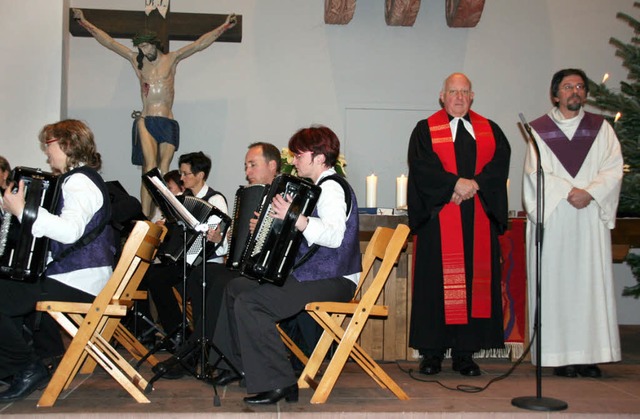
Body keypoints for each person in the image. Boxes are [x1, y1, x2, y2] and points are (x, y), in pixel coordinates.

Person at [210, 126, 361, 405]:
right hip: (314, 274)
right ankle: (237, 366)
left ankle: (279, 382)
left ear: (318, 157)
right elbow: (300, 237)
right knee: (235, 288)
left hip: (335, 279)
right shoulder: (315, 188)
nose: (293, 161)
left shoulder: (332, 188)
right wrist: (271, 225)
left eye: (298, 155)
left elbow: (333, 235)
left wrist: (294, 217)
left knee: (253, 302)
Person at [72, 8, 237, 217]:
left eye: (146, 45)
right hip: (146, 118)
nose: (144, 50)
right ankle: (144, 215)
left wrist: (224, 26)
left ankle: (163, 213)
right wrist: (84, 23)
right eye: (141, 46)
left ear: (155, 44)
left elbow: (198, 44)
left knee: (164, 170)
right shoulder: (137, 62)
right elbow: (110, 43)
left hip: (167, 120)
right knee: (149, 169)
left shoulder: (172, 59)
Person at [0, 119, 115, 402]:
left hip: (80, 280)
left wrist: (23, 211)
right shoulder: (78, 179)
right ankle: (20, 365)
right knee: (10, 287)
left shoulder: (79, 181)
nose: (46, 153)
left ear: (66, 144)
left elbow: (69, 230)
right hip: (79, 276)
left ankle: (26, 367)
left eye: (49, 146)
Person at [407, 73, 511, 377]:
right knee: (436, 286)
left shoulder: (490, 130)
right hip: (440, 219)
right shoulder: (425, 130)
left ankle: (466, 354)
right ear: (442, 95)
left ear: (472, 96)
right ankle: (432, 353)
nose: (459, 97)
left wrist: (474, 184)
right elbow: (422, 168)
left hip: (478, 218)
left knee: (473, 286)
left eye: (464, 92)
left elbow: (500, 162)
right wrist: (455, 184)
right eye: (453, 91)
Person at [523, 68, 623, 378]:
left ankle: (588, 356)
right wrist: (570, 192)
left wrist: (590, 193)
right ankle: (559, 356)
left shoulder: (601, 129)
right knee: (557, 285)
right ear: (555, 94)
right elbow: (534, 174)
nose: (575, 92)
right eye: (568, 87)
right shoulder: (539, 130)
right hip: (556, 218)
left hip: (588, 217)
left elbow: (613, 168)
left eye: (580, 86)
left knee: (589, 285)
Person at [152, 142, 281, 379]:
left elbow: (283, 239)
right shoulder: (250, 194)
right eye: (246, 166)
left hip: (267, 271)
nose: (247, 172)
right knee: (203, 276)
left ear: (273, 166)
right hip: (242, 266)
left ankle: (195, 353)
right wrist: (225, 237)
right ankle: (202, 350)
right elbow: (236, 243)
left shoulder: (283, 196)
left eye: (253, 165)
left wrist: (267, 229)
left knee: (221, 282)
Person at [144, 151, 228, 346]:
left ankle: (189, 338)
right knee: (153, 276)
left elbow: (222, 241)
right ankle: (176, 332)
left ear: (200, 175)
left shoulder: (215, 200)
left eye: (185, 174)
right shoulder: (182, 200)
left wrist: (217, 237)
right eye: (181, 174)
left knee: (169, 279)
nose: (181, 178)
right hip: (184, 260)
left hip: (207, 262)